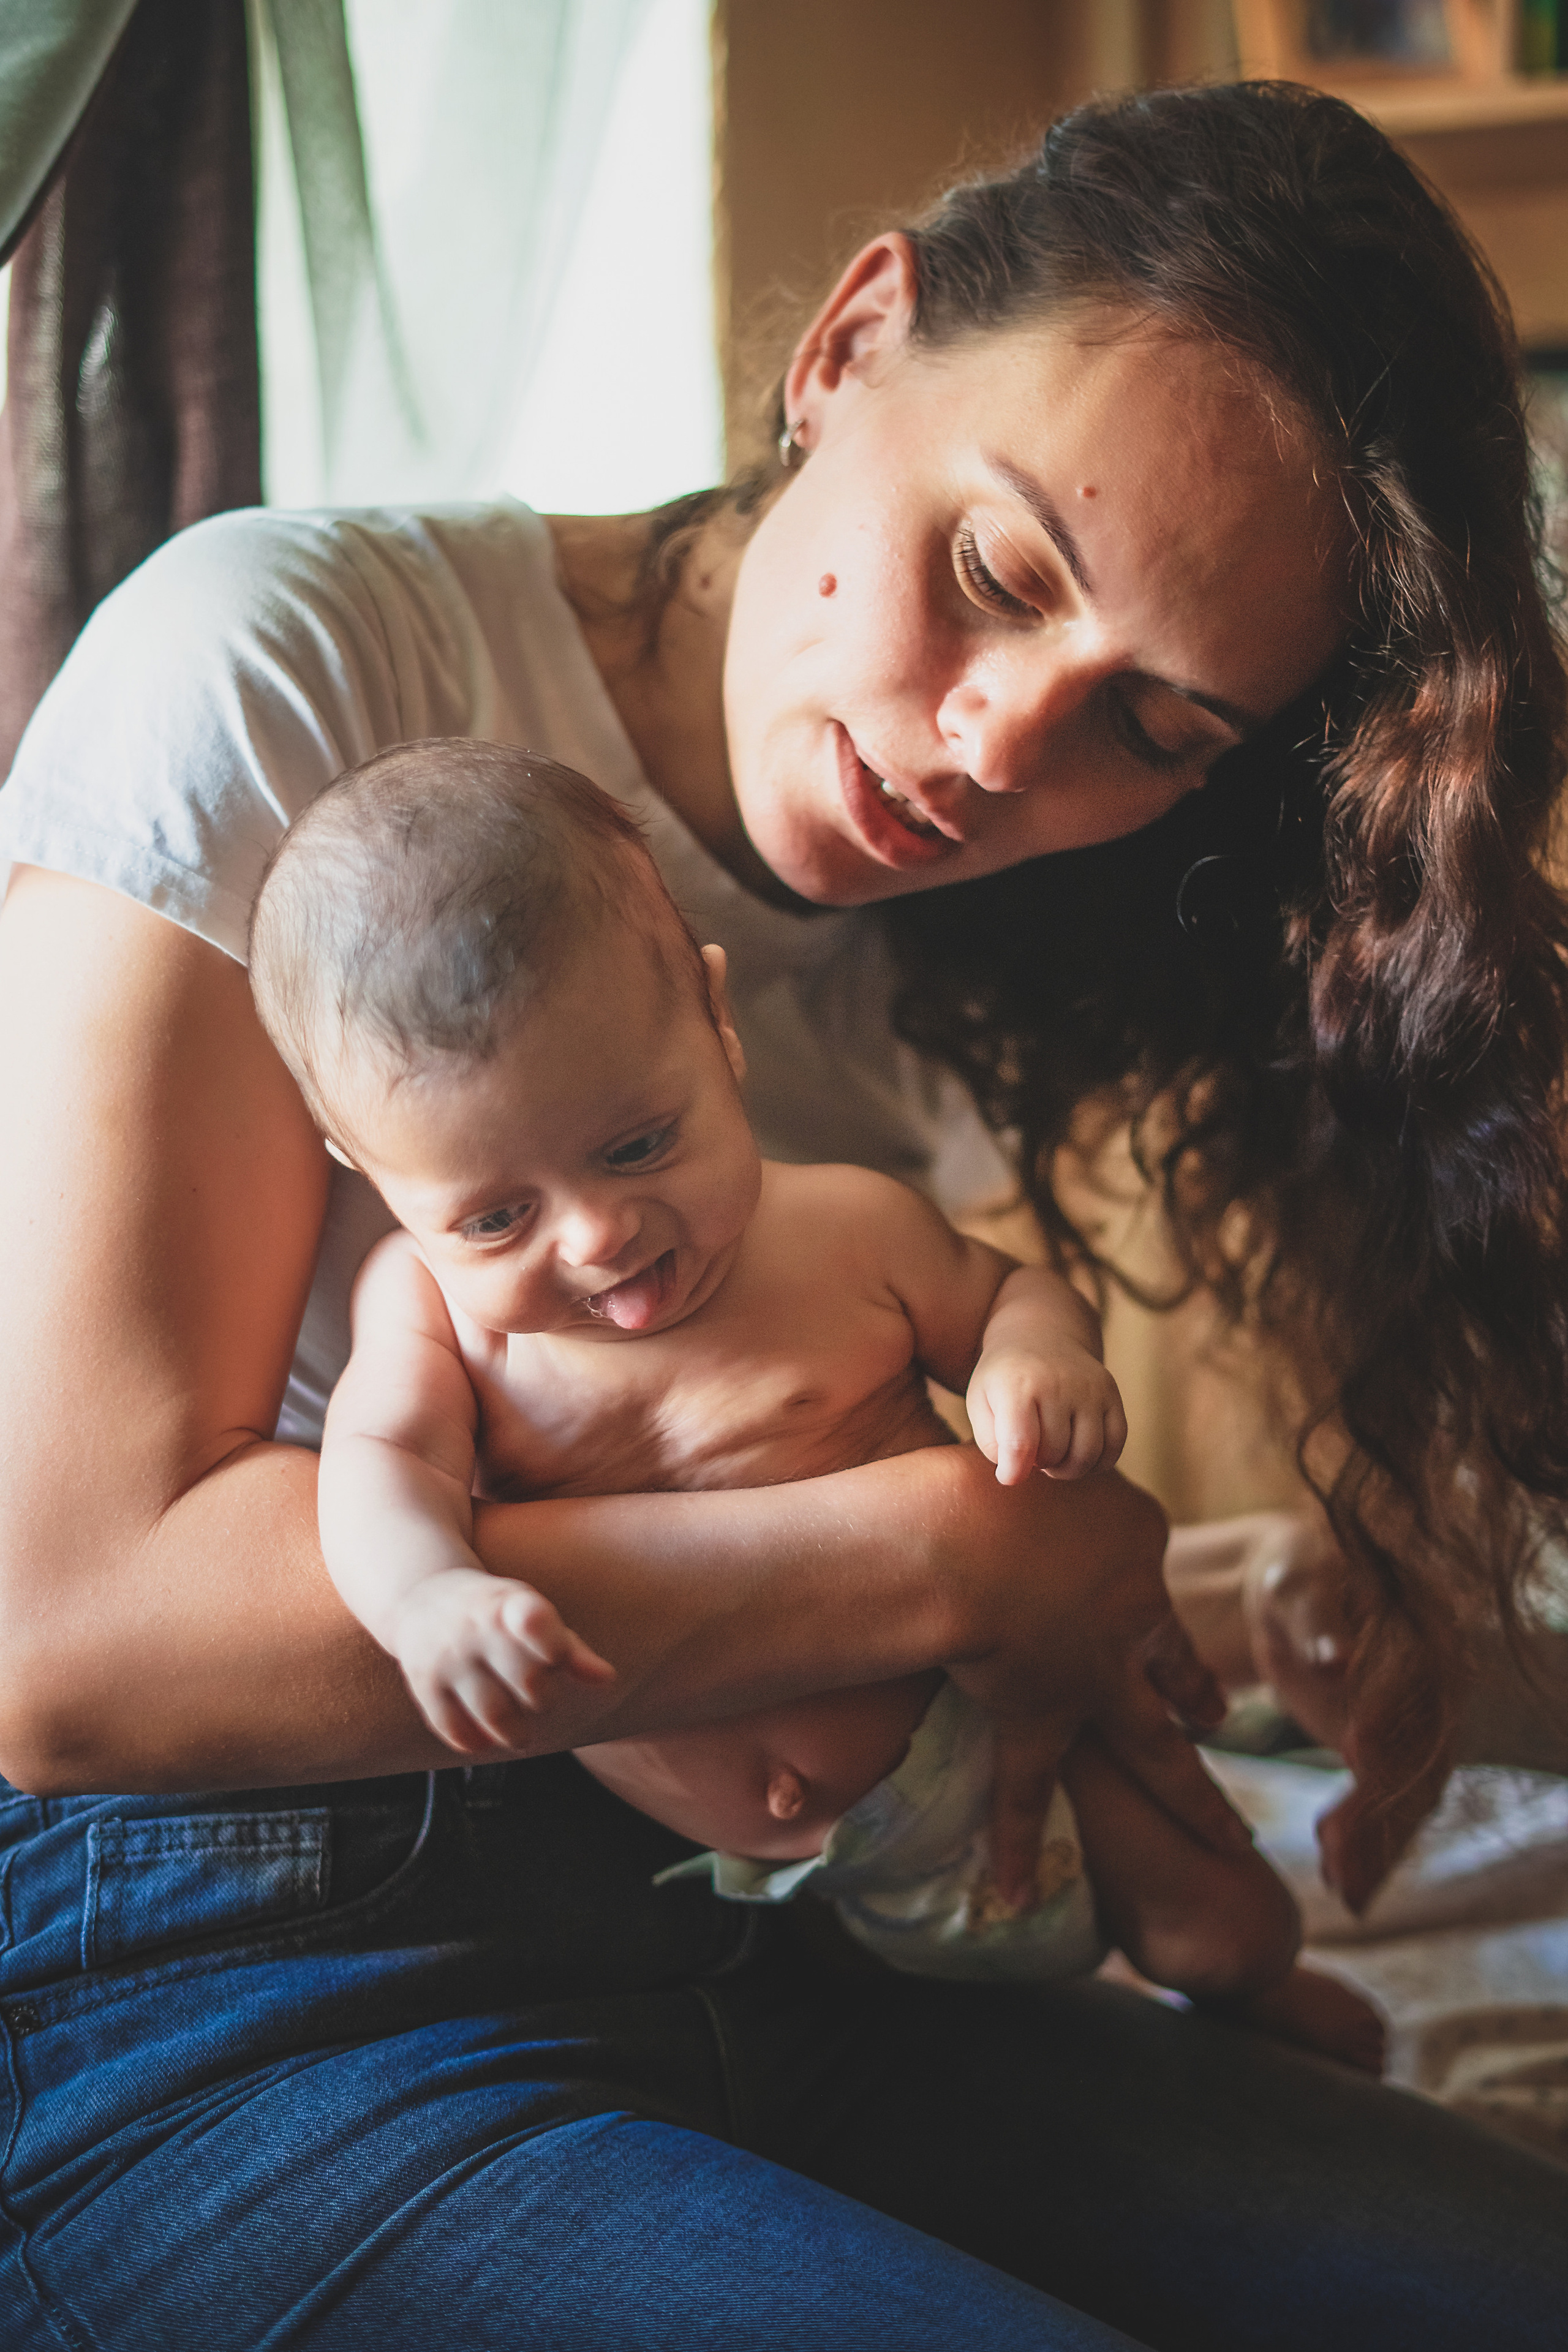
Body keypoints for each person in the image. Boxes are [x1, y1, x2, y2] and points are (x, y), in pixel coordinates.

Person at [1, 77, 1566, 2352]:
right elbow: (67, 1642)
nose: (1006, 744)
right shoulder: (292, 668)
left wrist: (1213, 1585)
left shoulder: (962, 944)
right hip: (222, 1983)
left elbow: (769, 1439)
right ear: (850, 347)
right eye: (1000, 569)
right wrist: (955, 1553)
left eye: (1154, 723)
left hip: (766, 1927)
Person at [253, 737, 1381, 2071]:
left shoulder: (839, 1231)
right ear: (371, 1173)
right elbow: (377, 1466)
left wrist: (1033, 1359)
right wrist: (423, 1596)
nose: (600, 1236)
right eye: (495, 1215)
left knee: (1210, 1922)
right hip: (743, 1880)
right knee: (911, 2053)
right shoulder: (426, 1312)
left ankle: (1260, 1998)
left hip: (982, 1727)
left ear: (715, 1025)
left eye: (637, 1144)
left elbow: (1008, 1292)